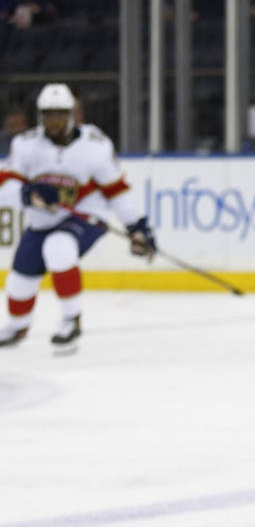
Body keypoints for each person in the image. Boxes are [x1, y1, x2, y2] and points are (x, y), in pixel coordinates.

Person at [0, 84, 152, 356]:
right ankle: (18, 325)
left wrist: (136, 226)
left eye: (59, 115)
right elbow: (4, 187)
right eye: (48, 115)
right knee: (19, 282)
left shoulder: (95, 145)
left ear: (72, 115)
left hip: (88, 215)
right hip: (42, 222)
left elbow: (115, 190)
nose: (53, 122)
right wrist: (27, 193)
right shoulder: (25, 145)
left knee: (59, 247)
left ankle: (71, 320)